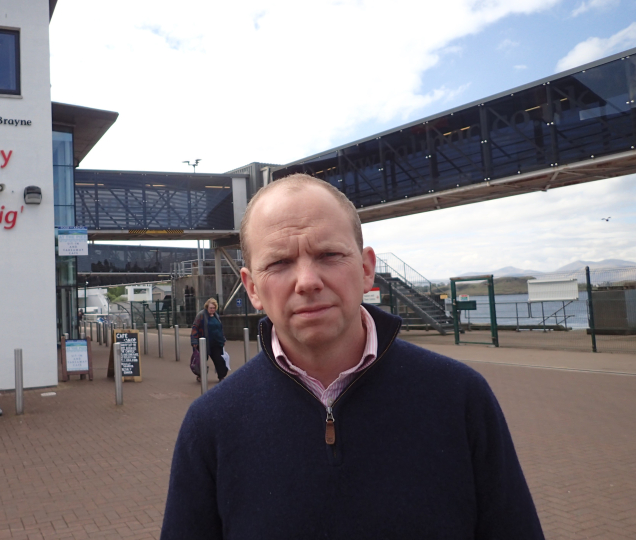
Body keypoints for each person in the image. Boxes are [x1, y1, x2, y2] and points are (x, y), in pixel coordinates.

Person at [161, 174, 544, 539]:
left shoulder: (461, 398)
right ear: (252, 288)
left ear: (365, 269)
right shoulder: (210, 426)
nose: (308, 281)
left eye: (329, 255)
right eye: (279, 263)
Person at [190, 298, 228, 382]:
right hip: (204, 343)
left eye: (214, 308)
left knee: (219, 360)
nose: (212, 310)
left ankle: (221, 377)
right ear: (207, 307)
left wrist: (223, 339)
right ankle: (201, 375)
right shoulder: (201, 315)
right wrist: (194, 341)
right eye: (211, 308)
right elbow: (195, 327)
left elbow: (220, 329)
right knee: (201, 361)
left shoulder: (216, 316)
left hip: (216, 343)